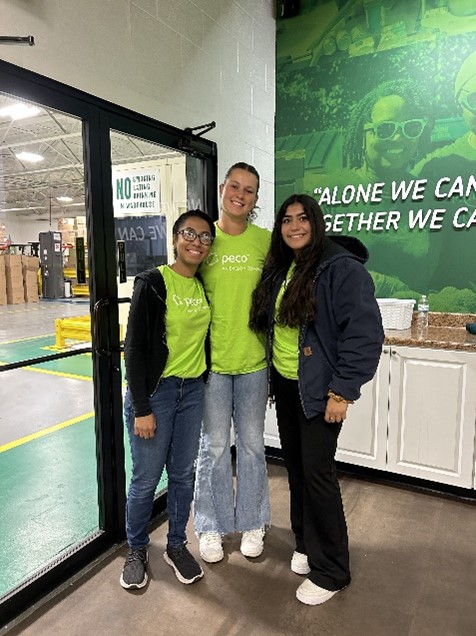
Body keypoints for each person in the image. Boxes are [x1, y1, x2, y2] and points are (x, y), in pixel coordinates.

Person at [249, 194, 384, 605]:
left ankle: (333, 570)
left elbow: (364, 333)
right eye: (287, 220)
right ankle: (306, 544)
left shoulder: (340, 268)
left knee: (319, 475)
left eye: (302, 218)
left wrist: (342, 390)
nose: (294, 226)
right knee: (298, 470)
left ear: (316, 222)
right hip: (289, 387)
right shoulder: (284, 267)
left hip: (322, 391)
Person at [120, 209, 215, 590]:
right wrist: (141, 407)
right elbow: (135, 348)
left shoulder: (203, 286)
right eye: (189, 233)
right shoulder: (154, 282)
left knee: (182, 474)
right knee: (145, 480)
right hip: (156, 395)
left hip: (191, 391)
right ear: (175, 238)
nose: (197, 241)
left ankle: (176, 545)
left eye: (205, 237)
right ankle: (137, 549)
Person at [193, 162, 271, 563]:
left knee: (254, 446)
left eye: (250, 190)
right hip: (214, 366)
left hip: (255, 362)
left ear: (256, 200)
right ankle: (211, 525)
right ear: (222, 189)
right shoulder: (206, 239)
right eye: (235, 186)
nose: (241, 194)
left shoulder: (265, 242)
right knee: (216, 447)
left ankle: (254, 521)